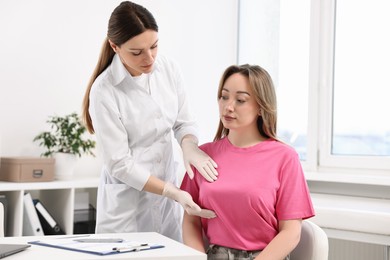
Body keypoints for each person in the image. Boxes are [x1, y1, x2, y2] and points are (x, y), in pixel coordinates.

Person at [81, 1, 218, 242]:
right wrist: (170, 191)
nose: (149, 57)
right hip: (126, 209)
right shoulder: (104, 91)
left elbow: (183, 122)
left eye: (154, 46)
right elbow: (119, 164)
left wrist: (189, 145)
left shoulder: (168, 69)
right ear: (115, 46)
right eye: (137, 52)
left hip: (167, 207)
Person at [181, 64, 315, 259]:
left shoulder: (285, 157)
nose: (228, 107)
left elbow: (291, 233)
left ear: (261, 107)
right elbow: (191, 220)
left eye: (240, 100)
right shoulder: (203, 155)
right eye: (224, 96)